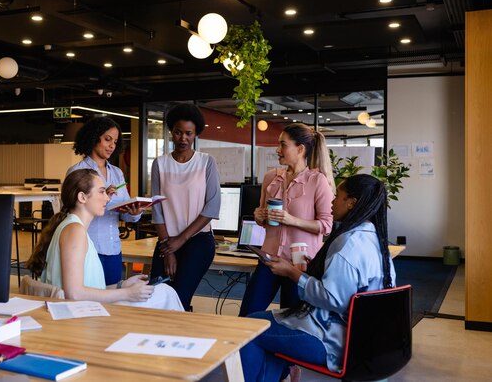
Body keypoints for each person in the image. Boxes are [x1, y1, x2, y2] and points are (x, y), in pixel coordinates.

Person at [240, 174, 397, 382]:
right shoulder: (375, 241)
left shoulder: (347, 245)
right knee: (267, 331)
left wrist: (292, 273)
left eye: (337, 196)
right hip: (370, 341)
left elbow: (332, 299)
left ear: (352, 203)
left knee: (249, 327)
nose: (331, 201)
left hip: (336, 341)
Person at [26, 169, 183, 311]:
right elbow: (74, 293)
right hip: (83, 313)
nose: (107, 198)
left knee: (163, 291)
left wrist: (121, 286)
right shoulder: (75, 231)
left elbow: (87, 288)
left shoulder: (72, 227)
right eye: (101, 192)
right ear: (82, 197)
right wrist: (127, 293)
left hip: (86, 308)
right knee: (166, 293)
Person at [239, 123, 335, 317]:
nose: (277, 150)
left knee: (291, 320)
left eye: (283, 145)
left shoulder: (318, 181)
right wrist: (259, 216)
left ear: (300, 149)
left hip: (300, 264)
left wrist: (292, 220)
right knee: (247, 315)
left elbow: (326, 226)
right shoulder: (270, 177)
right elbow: (263, 217)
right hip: (269, 258)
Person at [149, 103, 221, 311]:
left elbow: (212, 205)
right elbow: (157, 209)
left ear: (195, 133)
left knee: (178, 299)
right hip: (167, 241)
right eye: (178, 132)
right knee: (156, 296)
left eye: (188, 133)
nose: (183, 138)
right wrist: (169, 249)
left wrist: (180, 240)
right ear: (171, 132)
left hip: (197, 240)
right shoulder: (160, 164)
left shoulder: (206, 162)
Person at [66, 117, 146, 285]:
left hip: (113, 248)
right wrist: (103, 198)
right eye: (107, 139)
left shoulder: (117, 173)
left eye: (115, 142)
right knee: (88, 299)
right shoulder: (78, 171)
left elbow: (125, 215)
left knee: (111, 299)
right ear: (94, 137)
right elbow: (70, 214)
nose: (112, 145)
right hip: (87, 247)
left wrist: (134, 213)